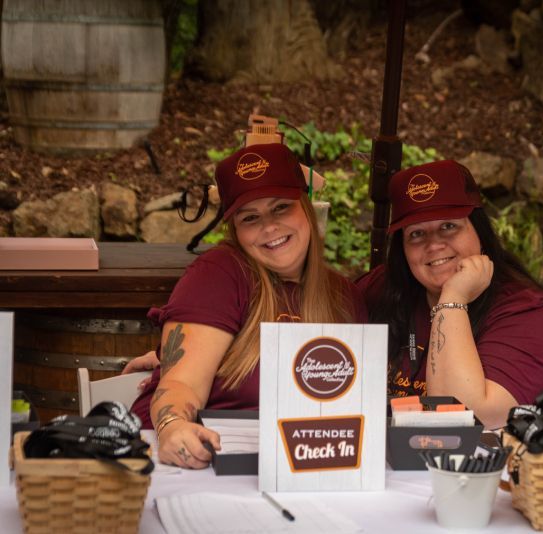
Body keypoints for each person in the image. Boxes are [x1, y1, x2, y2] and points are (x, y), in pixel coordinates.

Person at [129, 143, 367, 469]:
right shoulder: (221, 273)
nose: (269, 226)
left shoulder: (343, 297)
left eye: (281, 207)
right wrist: (174, 426)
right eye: (250, 217)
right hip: (200, 461)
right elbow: (181, 383)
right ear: (236, 230)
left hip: (292, 465)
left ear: (307, 207)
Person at [357, 160, 543, 429]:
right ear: (402, 250)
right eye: (416, 234)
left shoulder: (529, 312)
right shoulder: (387, 288)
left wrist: (453, 299)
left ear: (479, 229)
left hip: (488, 467)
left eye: (449, 226)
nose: (434, 244)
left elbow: (464, 419)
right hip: (392, 462)